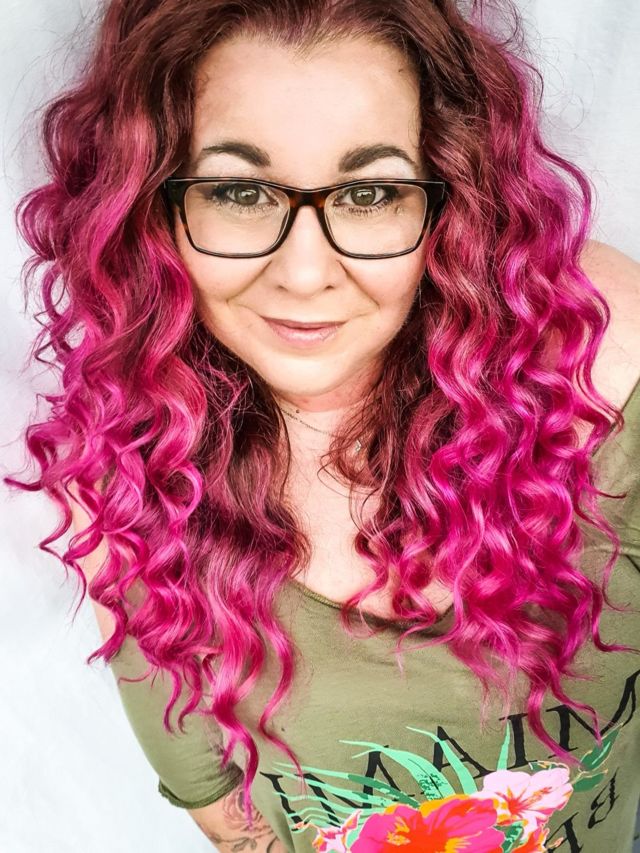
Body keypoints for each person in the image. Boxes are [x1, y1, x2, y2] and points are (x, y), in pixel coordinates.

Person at [6, 0, 640, 851]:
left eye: (371, 192)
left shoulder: (607, 365)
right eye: (237, 191)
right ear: (150, 209)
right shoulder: (124, 476)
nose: (305, 272)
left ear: (452, 199)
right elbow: (225, 810)